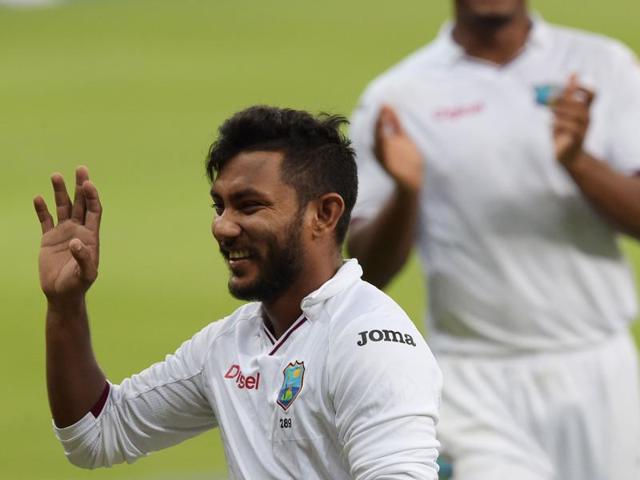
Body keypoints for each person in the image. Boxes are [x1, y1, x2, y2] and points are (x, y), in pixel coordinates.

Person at [34, 106, 442, 479]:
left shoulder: (369, 344)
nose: (223, 227)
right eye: (219, 207)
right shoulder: (230, 343)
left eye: (248, 206)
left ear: (324, 214)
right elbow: (98, 433)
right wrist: (65, 307)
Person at [348, 1, 640, 479]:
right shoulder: (397, 97)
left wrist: (580, 163)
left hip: (598, 370)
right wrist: (407, 192)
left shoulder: (605, 65)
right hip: (471, 378)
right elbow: (367, 268)